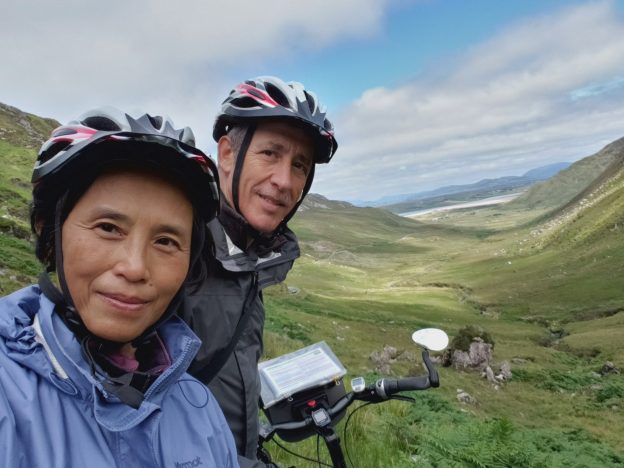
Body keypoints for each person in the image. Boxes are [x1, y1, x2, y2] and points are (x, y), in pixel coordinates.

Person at [0, 108, 239, 467]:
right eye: (108, 227)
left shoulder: (199, 409)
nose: (135, 267)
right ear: (51, 235)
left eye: (166, 241)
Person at [181, 76, 338, 467]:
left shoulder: (247, 259)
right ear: (228, 155)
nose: (284, 181)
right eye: (270, 153)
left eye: (299, 165)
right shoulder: (180, 254)